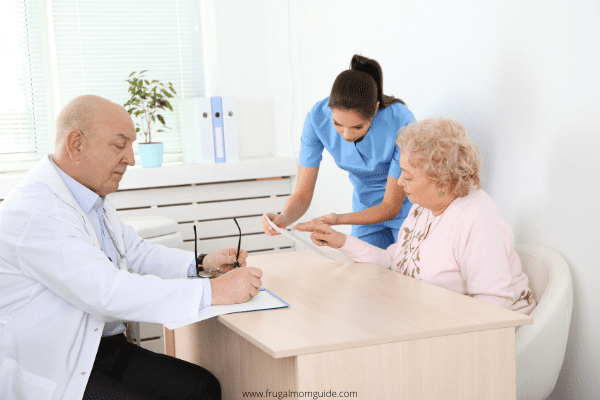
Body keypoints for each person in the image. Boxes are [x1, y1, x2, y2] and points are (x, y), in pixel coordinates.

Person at [0, 95, 263, 400]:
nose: (131, 158)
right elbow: (107, 291)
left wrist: (201, 263)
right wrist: (213, 292)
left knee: (202, 388)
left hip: (104, 349)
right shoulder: (37, 212)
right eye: (119, 144)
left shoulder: (88, 197)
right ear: (76, 144)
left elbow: (135, 252)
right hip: (59, 365)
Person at [296, 118, 536, 314]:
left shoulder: (477, 219)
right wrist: (341, 241)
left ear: (441, 179)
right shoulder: (424, 207)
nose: (400, 182)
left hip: (486, 342)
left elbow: (492, 307)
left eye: (408, 177)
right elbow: (394, 261)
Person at [262, 54, 415, 249]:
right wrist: (284, 218)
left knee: (407, 270)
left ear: (375, 110)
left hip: (405, 208)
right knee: (365, 271)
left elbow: (391, 207)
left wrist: (336, 220)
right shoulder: (317, 119)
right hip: (364, 208)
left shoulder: (400, 121)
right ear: (330, 109)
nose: (346, 135)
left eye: (357, 127)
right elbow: (302, 194)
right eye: (338, 124)